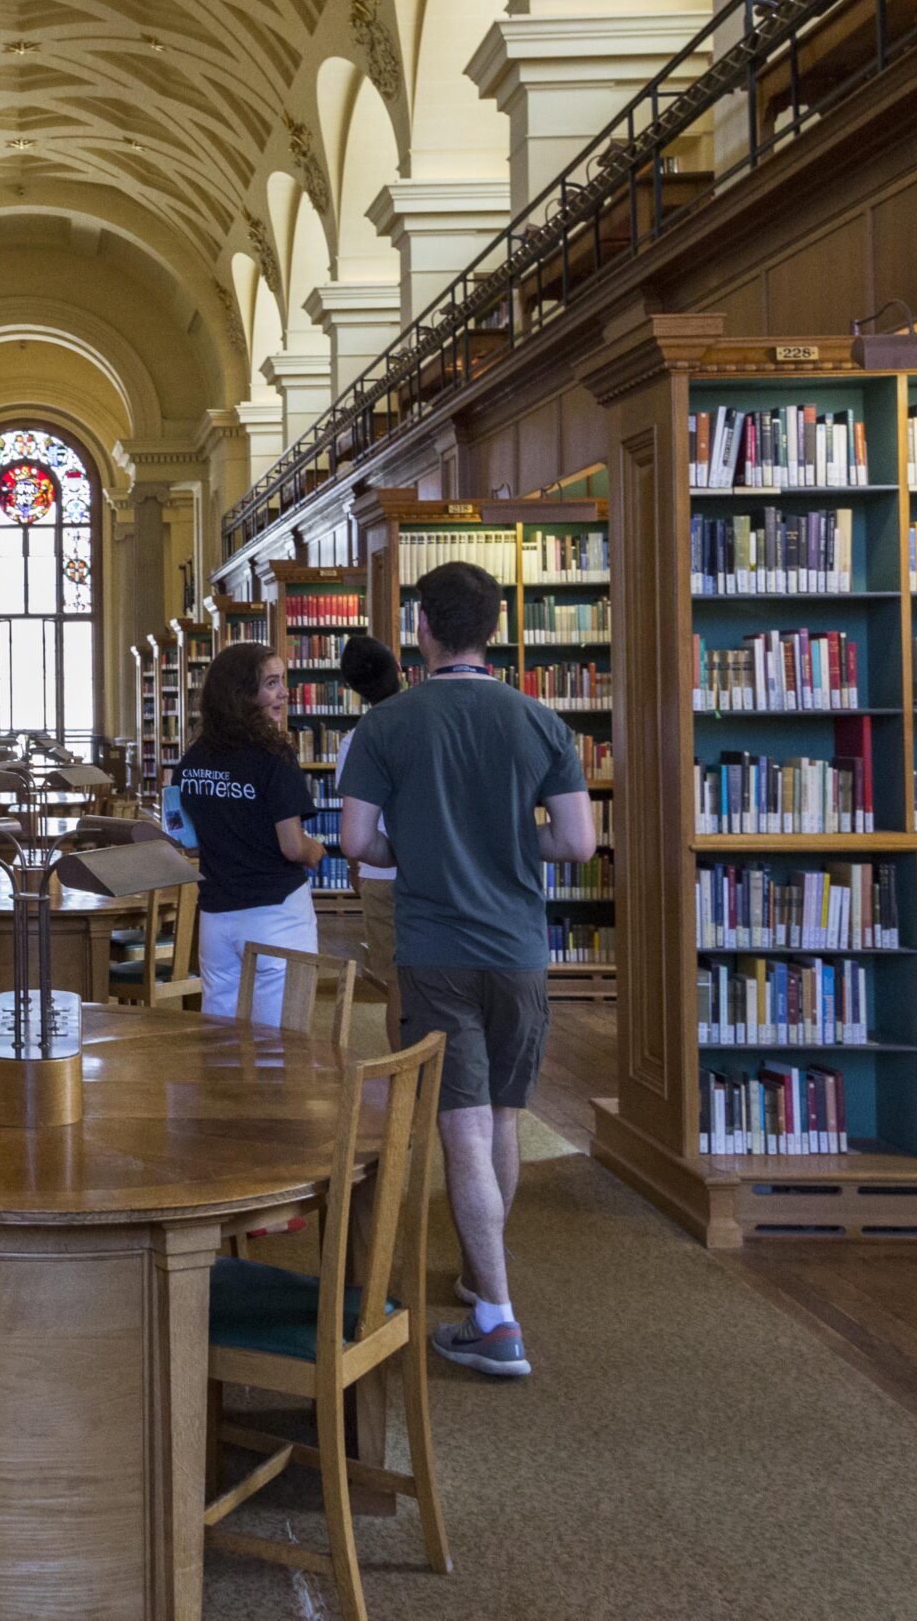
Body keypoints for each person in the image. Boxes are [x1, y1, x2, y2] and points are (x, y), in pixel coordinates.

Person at [338, 561, 596, 1378]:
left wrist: (413, 851)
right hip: (519, 950)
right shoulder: (540, 721)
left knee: (460, 1129)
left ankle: (498, 1318)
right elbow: (578, 844)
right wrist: (515, 849)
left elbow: (355, 843)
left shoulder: (390, 725)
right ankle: (482, 1281)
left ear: (423, 627)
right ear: (493, 629)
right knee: (503, 1122)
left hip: (436, 951)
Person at [172, 642, 327, 1023]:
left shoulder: (193, 759)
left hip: (216, 915)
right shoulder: (273, 755)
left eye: (282, 682)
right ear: (243, 696)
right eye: (272, 683)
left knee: (219, 1032)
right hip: (274, 914)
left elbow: (183, 840)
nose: (283, 693)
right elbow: (292, 846)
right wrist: (316, 852)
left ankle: (222, 1087)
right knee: (280, 1038)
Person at [336, 633, 407, 1045]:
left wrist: (355, 866)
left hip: (380, 874)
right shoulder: (428, 724)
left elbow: (357, 823)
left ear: (353, 690)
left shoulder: (355, 741)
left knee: (397, 986)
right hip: (436, 869)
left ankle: (405, 1080)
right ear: (399, 669)